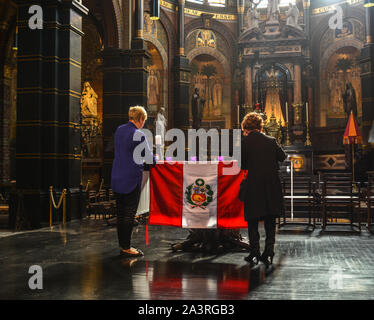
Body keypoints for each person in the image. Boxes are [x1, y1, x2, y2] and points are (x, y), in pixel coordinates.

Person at [240, 112, 287, 267]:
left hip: (253, 185)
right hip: (271, 186)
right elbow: (282, 157)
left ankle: (254, 252)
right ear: (260, 127)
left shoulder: (244, 142)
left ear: (245, 127)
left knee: (252, 220)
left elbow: (242, 165)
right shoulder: (271, 140)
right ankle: (269, 252)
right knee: (270, 220)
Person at [111, 106, 156, 257]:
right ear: (141, 119)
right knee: (129, 214)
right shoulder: (138, 134)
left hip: (117, 177)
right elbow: (149, 159)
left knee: (120, 213)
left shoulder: (119, 130)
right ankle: (127, 247)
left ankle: (123, 245)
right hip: (130, 179)